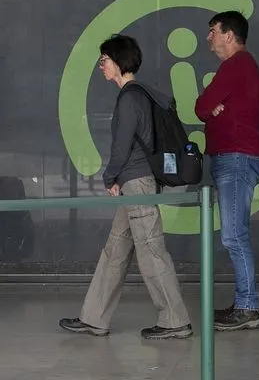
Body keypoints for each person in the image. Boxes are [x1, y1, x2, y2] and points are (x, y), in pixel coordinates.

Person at [59, 34, 192, 339]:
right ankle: (94, 317)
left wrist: (110, 176)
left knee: (151, 250)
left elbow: (122, 145)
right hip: (135, 182)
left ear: (118, 61)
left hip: (136, 184)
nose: (100, 66)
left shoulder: (131, 97)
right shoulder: (140, 95)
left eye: (104, 60)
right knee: (115, 251)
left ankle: (175, 320)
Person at [196, 11, 259, 332]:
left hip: (236, 159)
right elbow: (205, 106)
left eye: (213, 31)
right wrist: (214, 107)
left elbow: (200, 106)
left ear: (229, 34)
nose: (209, 38)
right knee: (234, 233)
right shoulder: (241, 67)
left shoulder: (235, 66)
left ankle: (248, 306)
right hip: (236, 158)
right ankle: (244, 303)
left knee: (233, 234)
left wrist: (213, 108)